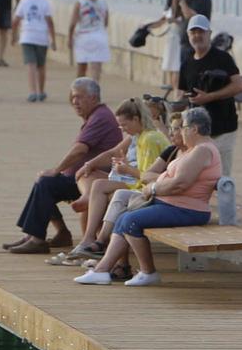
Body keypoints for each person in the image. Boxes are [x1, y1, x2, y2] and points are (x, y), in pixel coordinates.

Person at [73, 107, 223, 287]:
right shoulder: (195, 149)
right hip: (173, 204)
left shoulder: (202, 150)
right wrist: (155, 186)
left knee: (131, 222)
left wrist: (153, 189)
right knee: (123, 218)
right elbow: (167, 179)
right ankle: (102, 270)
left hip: (187, 208)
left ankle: (148, 271)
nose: (179, 131)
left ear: (194, 129)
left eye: (182, 127)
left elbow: (180, 184)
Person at [6, 78, 127, 254]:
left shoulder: (100, 117)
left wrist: (56, 170)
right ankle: (44, 234)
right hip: (83, 177)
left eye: (79, 97)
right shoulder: (97, 115)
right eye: (72, 97)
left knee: (46, 184)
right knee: (44, 182)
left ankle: (37, 238)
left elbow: (80, 149)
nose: (74, 102)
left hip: (94, 179)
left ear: (93, 98)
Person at [59, 99, 170, 265]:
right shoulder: (140, 136)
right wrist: (94, 165)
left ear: (136, 119)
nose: (122, 129)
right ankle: (97, 244)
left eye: (124, 125)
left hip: (148, 188)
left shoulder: (149, 139)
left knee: (105, 193)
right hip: (137, 183)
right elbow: (117, 154)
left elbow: (147, 177)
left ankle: (97, 245)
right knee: (99, 188)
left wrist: (125, 169)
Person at [177, 14, 242, 173]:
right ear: (188, 36)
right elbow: (182, 94)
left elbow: (239, 85)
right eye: (193, 32)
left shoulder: (222, 58)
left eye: (201, 32)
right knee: (198, 177)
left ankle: (225, 198)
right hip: (197, 133)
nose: (197, 36)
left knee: (222, 178)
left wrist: (209, 97)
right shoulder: (187, 62)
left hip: (223, 128)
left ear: (209, 34)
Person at [15, 0, 57, 103]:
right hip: (41, 37)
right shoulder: (45, 3)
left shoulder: (24, 2)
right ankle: (41, 91)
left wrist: (13, 36)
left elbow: (16, 20)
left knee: (30, 65)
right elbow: (50, 22)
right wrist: (53, 39)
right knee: (41, 65)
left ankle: (32, 91)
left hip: (27, 36)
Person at [69, 0, 111, 80]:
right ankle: (94, 93)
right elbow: (105, 22)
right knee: (96, 70)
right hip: (100, 36)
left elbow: (73, 23)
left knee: (81, 69)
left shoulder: (80, 2)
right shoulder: (103, 2)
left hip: (84, 37)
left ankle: (79, 92)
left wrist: (70, 38)